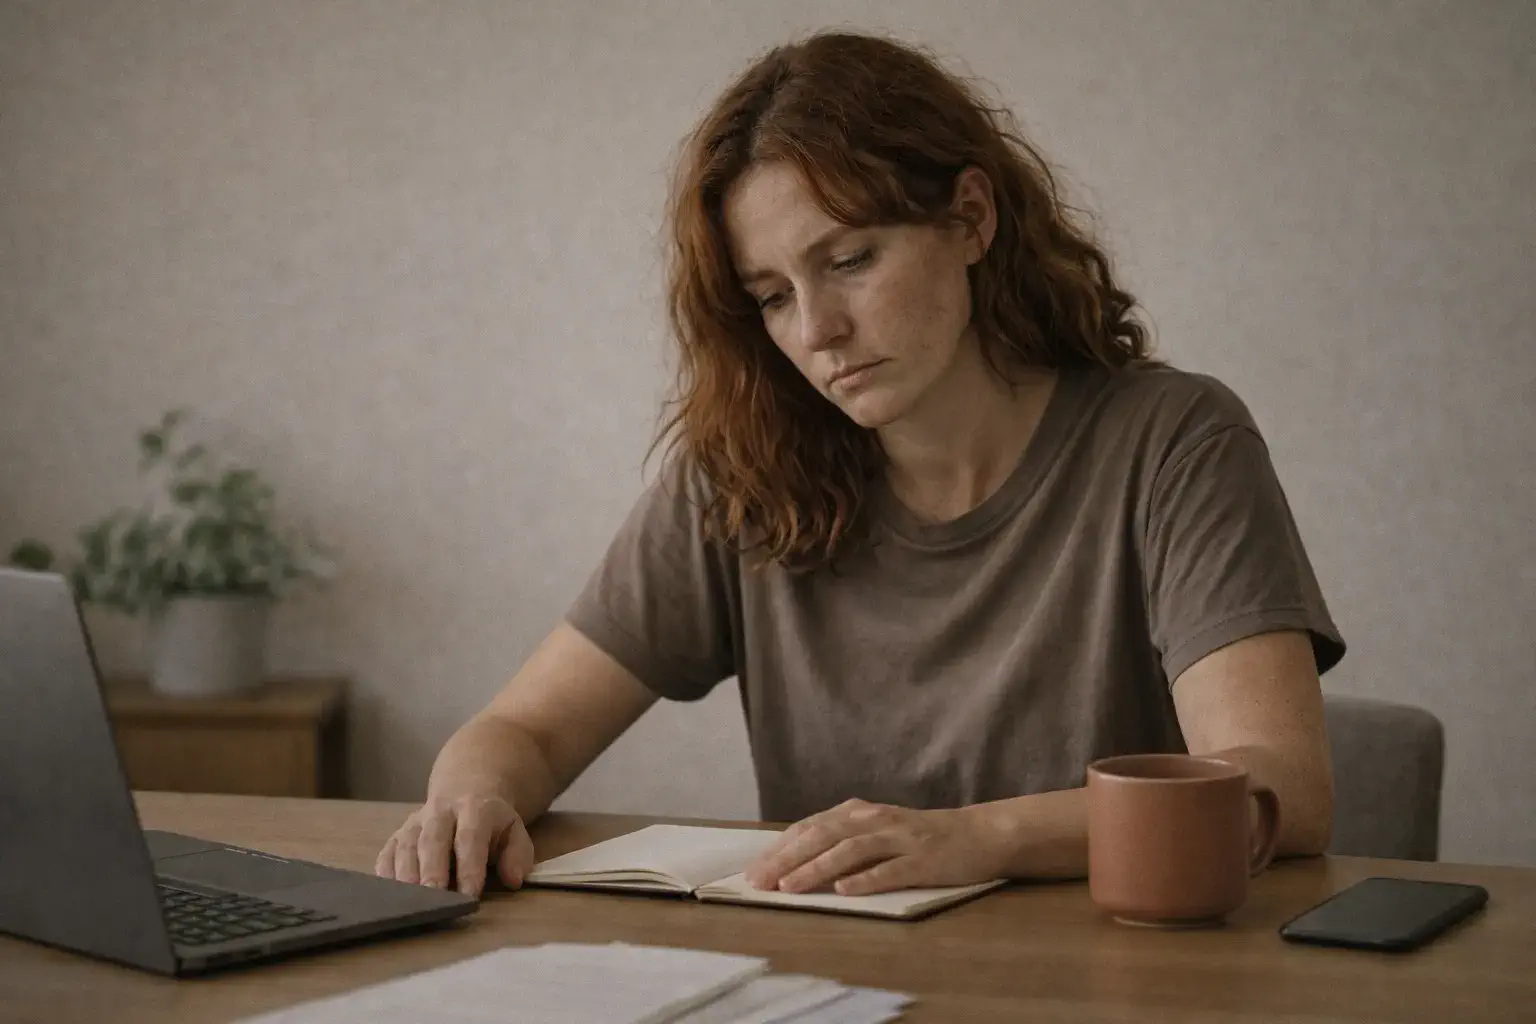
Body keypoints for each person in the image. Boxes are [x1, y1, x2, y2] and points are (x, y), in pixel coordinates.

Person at [375, 29, 1345, 901]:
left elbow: (1281, 789)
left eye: (849, 261)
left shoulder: (1174, 440)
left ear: (970, 218)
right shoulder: (743, 474)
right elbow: (528, 731)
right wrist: (468, 799)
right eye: (771, 295)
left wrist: (978, 837)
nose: (818, 330)